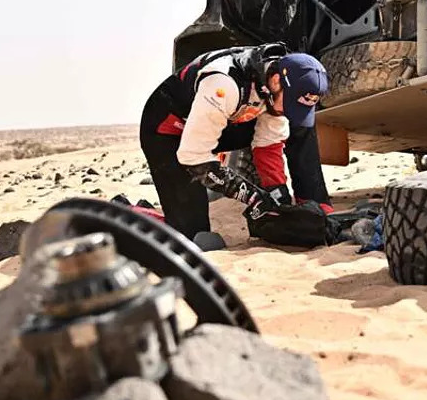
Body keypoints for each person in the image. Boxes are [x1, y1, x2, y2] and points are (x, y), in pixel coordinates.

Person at [139, 42, 334, 248]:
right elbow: (194, 159)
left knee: (295, 126)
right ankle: (132, 212)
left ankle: (314, 200)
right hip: (166, 129)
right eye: (290, 104)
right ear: (276, 81)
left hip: (220, 122)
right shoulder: (223, 84)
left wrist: (279, 201)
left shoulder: (277, 83)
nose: (289, 110)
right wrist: (253, 197)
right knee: (191, 235)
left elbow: (268, 147)